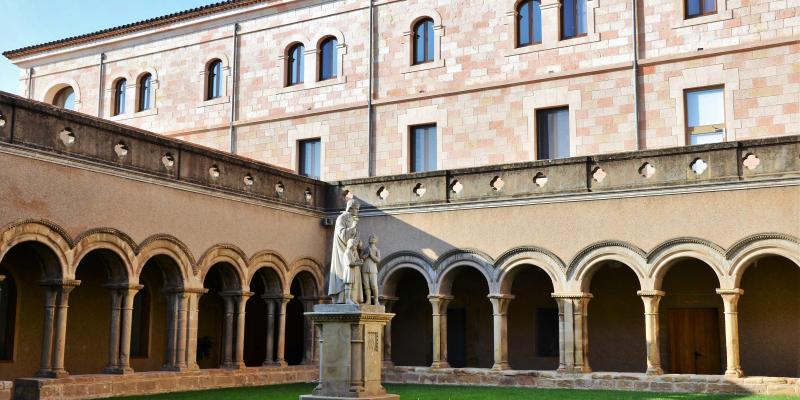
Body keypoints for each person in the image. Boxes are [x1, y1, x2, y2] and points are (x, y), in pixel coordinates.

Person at [328, 200, 359, 303]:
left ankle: (350, 298)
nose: (357, 211)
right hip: (342, 251)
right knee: (343, 275)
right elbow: (341, 234)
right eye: (356, 209)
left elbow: (353, 236)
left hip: (351, 250)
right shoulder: (342, 218)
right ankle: (342, 299)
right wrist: (353, 227)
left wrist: (358, 242)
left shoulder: (351, 218)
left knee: (351, 276)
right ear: (350, 208)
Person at [361, 234, 381, 306]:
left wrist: (371, 255)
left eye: (373, 238)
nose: (371, 239)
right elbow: (361, 258)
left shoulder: (377, 250)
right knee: (366, 286)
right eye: (370, 237)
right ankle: (368, 300)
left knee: (374, 285)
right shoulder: (365, 249)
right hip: (365, 268)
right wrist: (367, 254)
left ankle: (376, 301)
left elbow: (378, 260)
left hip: (373, 269)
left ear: (376, 240)